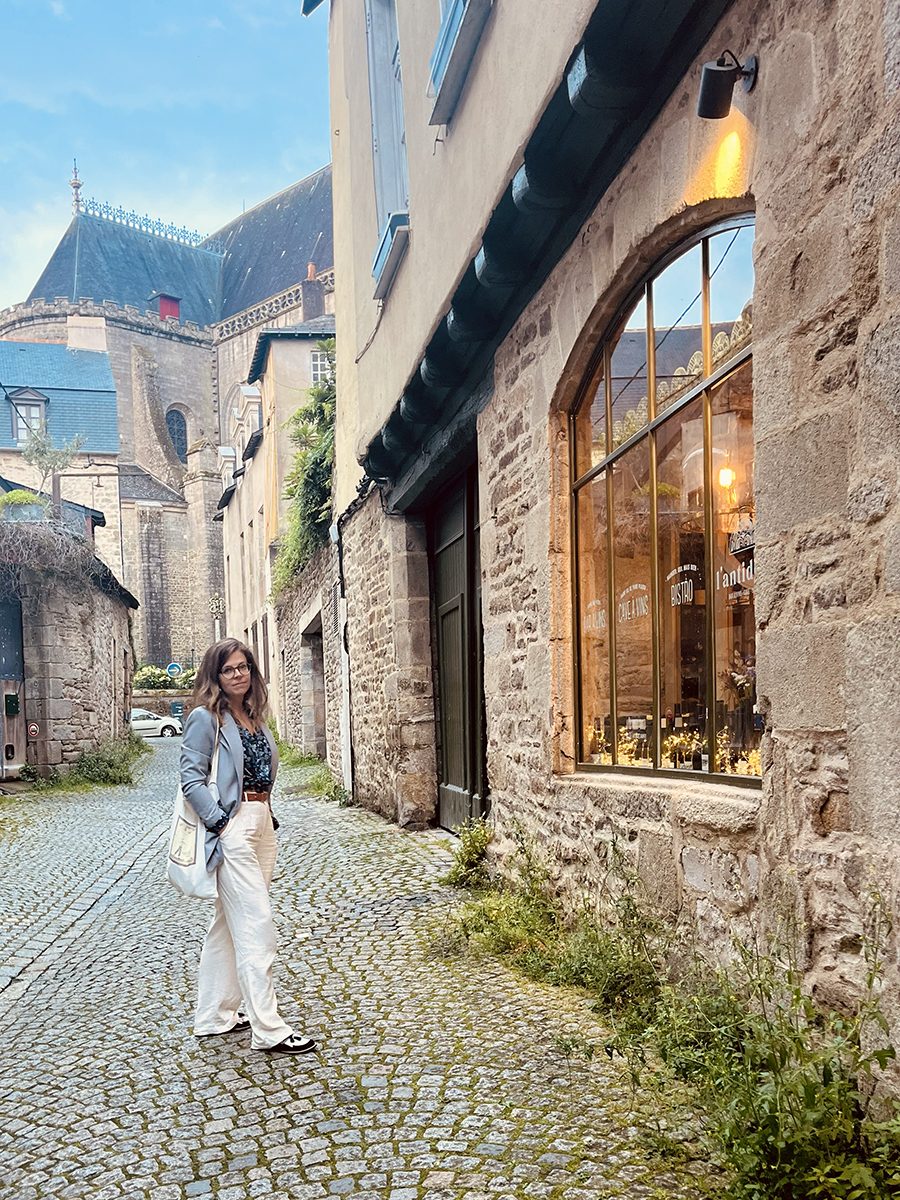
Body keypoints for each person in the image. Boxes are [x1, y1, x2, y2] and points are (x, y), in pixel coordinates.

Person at [179, 638, 316, 1055]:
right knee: (257, 922)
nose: (238, 675)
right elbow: (190, 779)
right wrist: (221, 825)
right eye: (229, 670)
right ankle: (268, 1028)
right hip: (233, 826)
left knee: (228, 922)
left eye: (243, 667)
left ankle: (214, 1015)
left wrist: (263, 817)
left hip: (261, 824)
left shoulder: (255, 716)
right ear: (215, 676)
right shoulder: (207, 718)